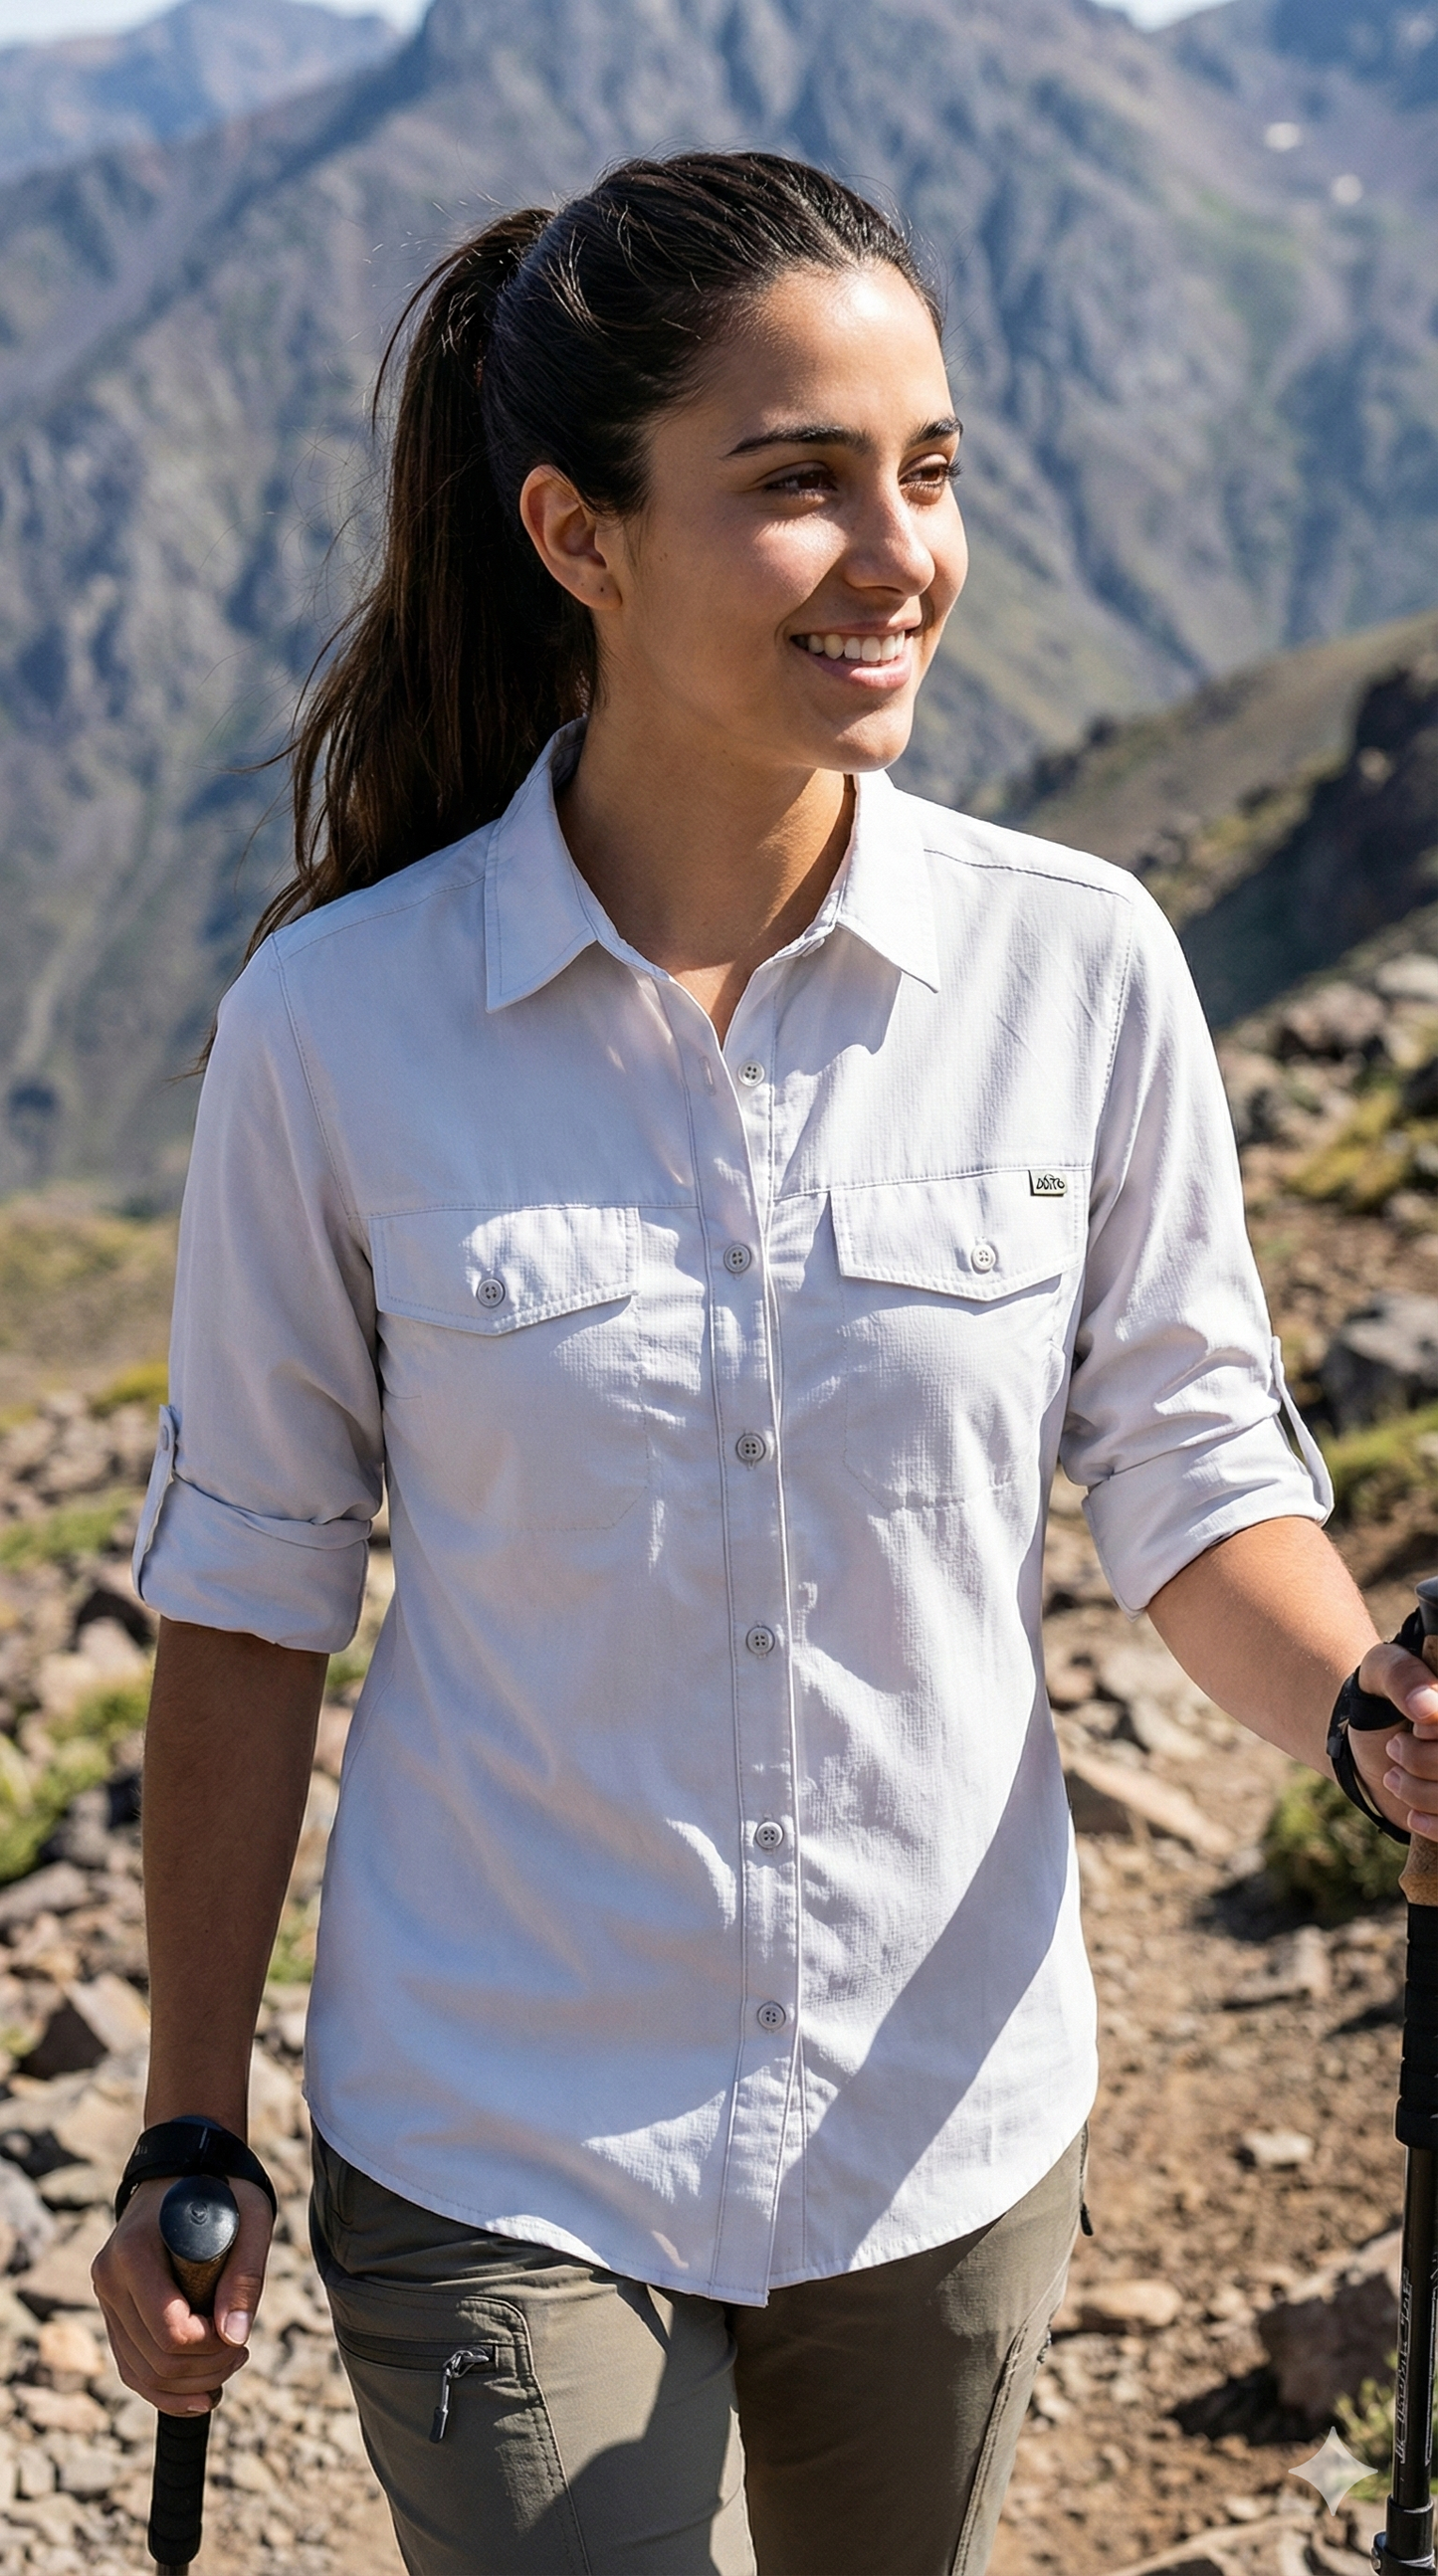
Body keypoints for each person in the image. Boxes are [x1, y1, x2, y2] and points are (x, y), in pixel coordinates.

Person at [92, 150, 1438, 2576]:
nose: (896, 551)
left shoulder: (1081, 969)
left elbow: (1178, 1467)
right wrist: (188, 2118)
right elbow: (246, 1590)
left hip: (942, 2113)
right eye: (795, 483)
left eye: (924, 471)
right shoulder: (334, 1028)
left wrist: (1360, 1709)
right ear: (576, 533)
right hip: (499, 2111)